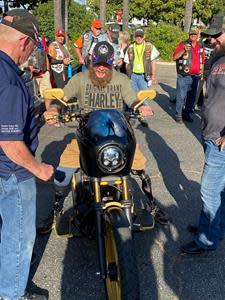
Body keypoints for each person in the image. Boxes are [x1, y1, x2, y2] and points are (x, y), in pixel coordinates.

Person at [38, 41, 170, 235]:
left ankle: (152, 205)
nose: (101, 68)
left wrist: (140, 106)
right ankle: (56, 209)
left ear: (112, 63)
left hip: (116, 134)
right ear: (91, 60)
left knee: (140, 167)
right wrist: (53, 110)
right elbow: (62, 99)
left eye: (105, 64)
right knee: (62, 174)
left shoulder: (121, 80)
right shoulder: (79, 79)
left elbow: (132, 98)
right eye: (98, 63)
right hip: (87, 135)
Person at [0, 9, 54, 300]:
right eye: (33, 46)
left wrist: (39, 114)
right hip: (12, 172)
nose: (31, 53)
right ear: (24, 42)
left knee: (5, 231)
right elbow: (10, 143)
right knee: (18, 238)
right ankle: (11, 294)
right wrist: (39, 168)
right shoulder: (7, 78)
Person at [181, 22, 225, 255]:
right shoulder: (217, 58)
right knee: (220, 189)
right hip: (211, 133)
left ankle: (207, 239)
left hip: (222, 138)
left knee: (209, 190)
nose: (212, 41)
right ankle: (214, 228)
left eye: (217, 36)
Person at [173, 27, 205, 123]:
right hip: (183, 75)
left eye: (195, 34)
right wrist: (183, 50)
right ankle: (178, 115)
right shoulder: (183, 44)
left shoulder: (200, 46)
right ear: (189, 35)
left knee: (191, 97)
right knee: (181, 96)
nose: (193, 36)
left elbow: (202, 59)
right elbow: (175, 57)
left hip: (195, 76)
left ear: (197, 36)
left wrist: (202, 70)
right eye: (191, 34)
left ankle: (186, 114)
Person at [124, 28, 160, 92]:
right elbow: (127, 63)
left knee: (144, 97)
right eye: (137, 36)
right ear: (134, 37)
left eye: (140, 36)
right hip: (133, 76)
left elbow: (153, 62)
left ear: (144, 36)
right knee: (133, 97)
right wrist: (128, 76)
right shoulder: (130, 47)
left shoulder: (149, 46)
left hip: (144, 76)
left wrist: (153, 75)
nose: (139, 38)